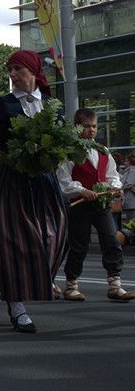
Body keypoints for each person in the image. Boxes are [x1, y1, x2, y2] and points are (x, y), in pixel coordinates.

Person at [0, 50, 68, 333]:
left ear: (33, 72)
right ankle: (17, 306)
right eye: (10, 69)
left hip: (41, 181)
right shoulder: (4, 104)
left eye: (17, 69)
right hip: (9, 180)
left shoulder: (51, 105)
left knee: (55, 233)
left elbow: (60, 143)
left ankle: (38, 275)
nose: (13, 75)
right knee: (14, 242)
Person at [57, 108, 133, 301]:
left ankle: (115, 284)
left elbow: (112, 175)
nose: (91, 130)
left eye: (94, 126)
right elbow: (63, 180)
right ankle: (71, 285)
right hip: (80, 205)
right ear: (77, 127)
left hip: (102, 205)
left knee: (112, 241)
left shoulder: (103, 150)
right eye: (87, 126)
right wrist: (82, 190)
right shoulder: (69, 151)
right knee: (79, 246)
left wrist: (115, 187)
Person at [123, 154, 135, 223]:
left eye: (126, 161)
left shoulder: (132, 171)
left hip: (131, 201)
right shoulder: (129, 170)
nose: (124, 162)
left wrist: (120, 188)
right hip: (130, 201)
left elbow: (129, 183)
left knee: (131, 222)